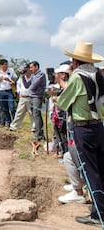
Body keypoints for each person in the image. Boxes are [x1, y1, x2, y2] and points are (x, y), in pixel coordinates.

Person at [54, 41, 104, 225]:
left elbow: (63, 103)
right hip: (98, 125)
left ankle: (97, 215)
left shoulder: (77, 77)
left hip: (83, 127)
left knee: (91, 171)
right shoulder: (98, 75)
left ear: (75, 61)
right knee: (100, 169)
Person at [24, 61, 47, 140]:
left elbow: (33, 86)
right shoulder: (33, 76)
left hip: (37, 97)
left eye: (31, 67)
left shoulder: (41, 75)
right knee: (35, 116)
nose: (30, 69)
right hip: (31, 97)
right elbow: (27, 85)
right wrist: (22, 76)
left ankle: (37, 136)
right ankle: (40, 133)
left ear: (36, 67)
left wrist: (26, 93)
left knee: (36, 116)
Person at [50, 64, 69, 157]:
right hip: (57, 113)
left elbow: (65, 98)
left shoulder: (68, 85)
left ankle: (65, 153)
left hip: (64, 114)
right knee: (59, 134)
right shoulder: (60, 86)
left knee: (64, 134)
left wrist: (56, 98)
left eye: (57, 74)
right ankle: (61, 151)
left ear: (63, 75)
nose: (55, 75)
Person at [0, 59, 17, 128]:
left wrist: (9, 79)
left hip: (9, 91)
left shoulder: (11, 70)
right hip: (1, 91)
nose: (6, 66)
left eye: (7, 65)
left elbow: (15, 78)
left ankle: (15, 123)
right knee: (4, 109)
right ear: (1, 65)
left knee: (12, 108)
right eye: (5, 65)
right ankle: (8, 123)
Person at [9, 64, 33, 132]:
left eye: (24, 71)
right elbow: (18, 86)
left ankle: (34, 128)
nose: (23, 72)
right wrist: (19, 92)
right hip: (22, 97)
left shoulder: (33, 77)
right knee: (19, 112)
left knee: (32, 113)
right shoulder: (21, 77)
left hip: (31, 97)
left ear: (28, 69)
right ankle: (13, 127)